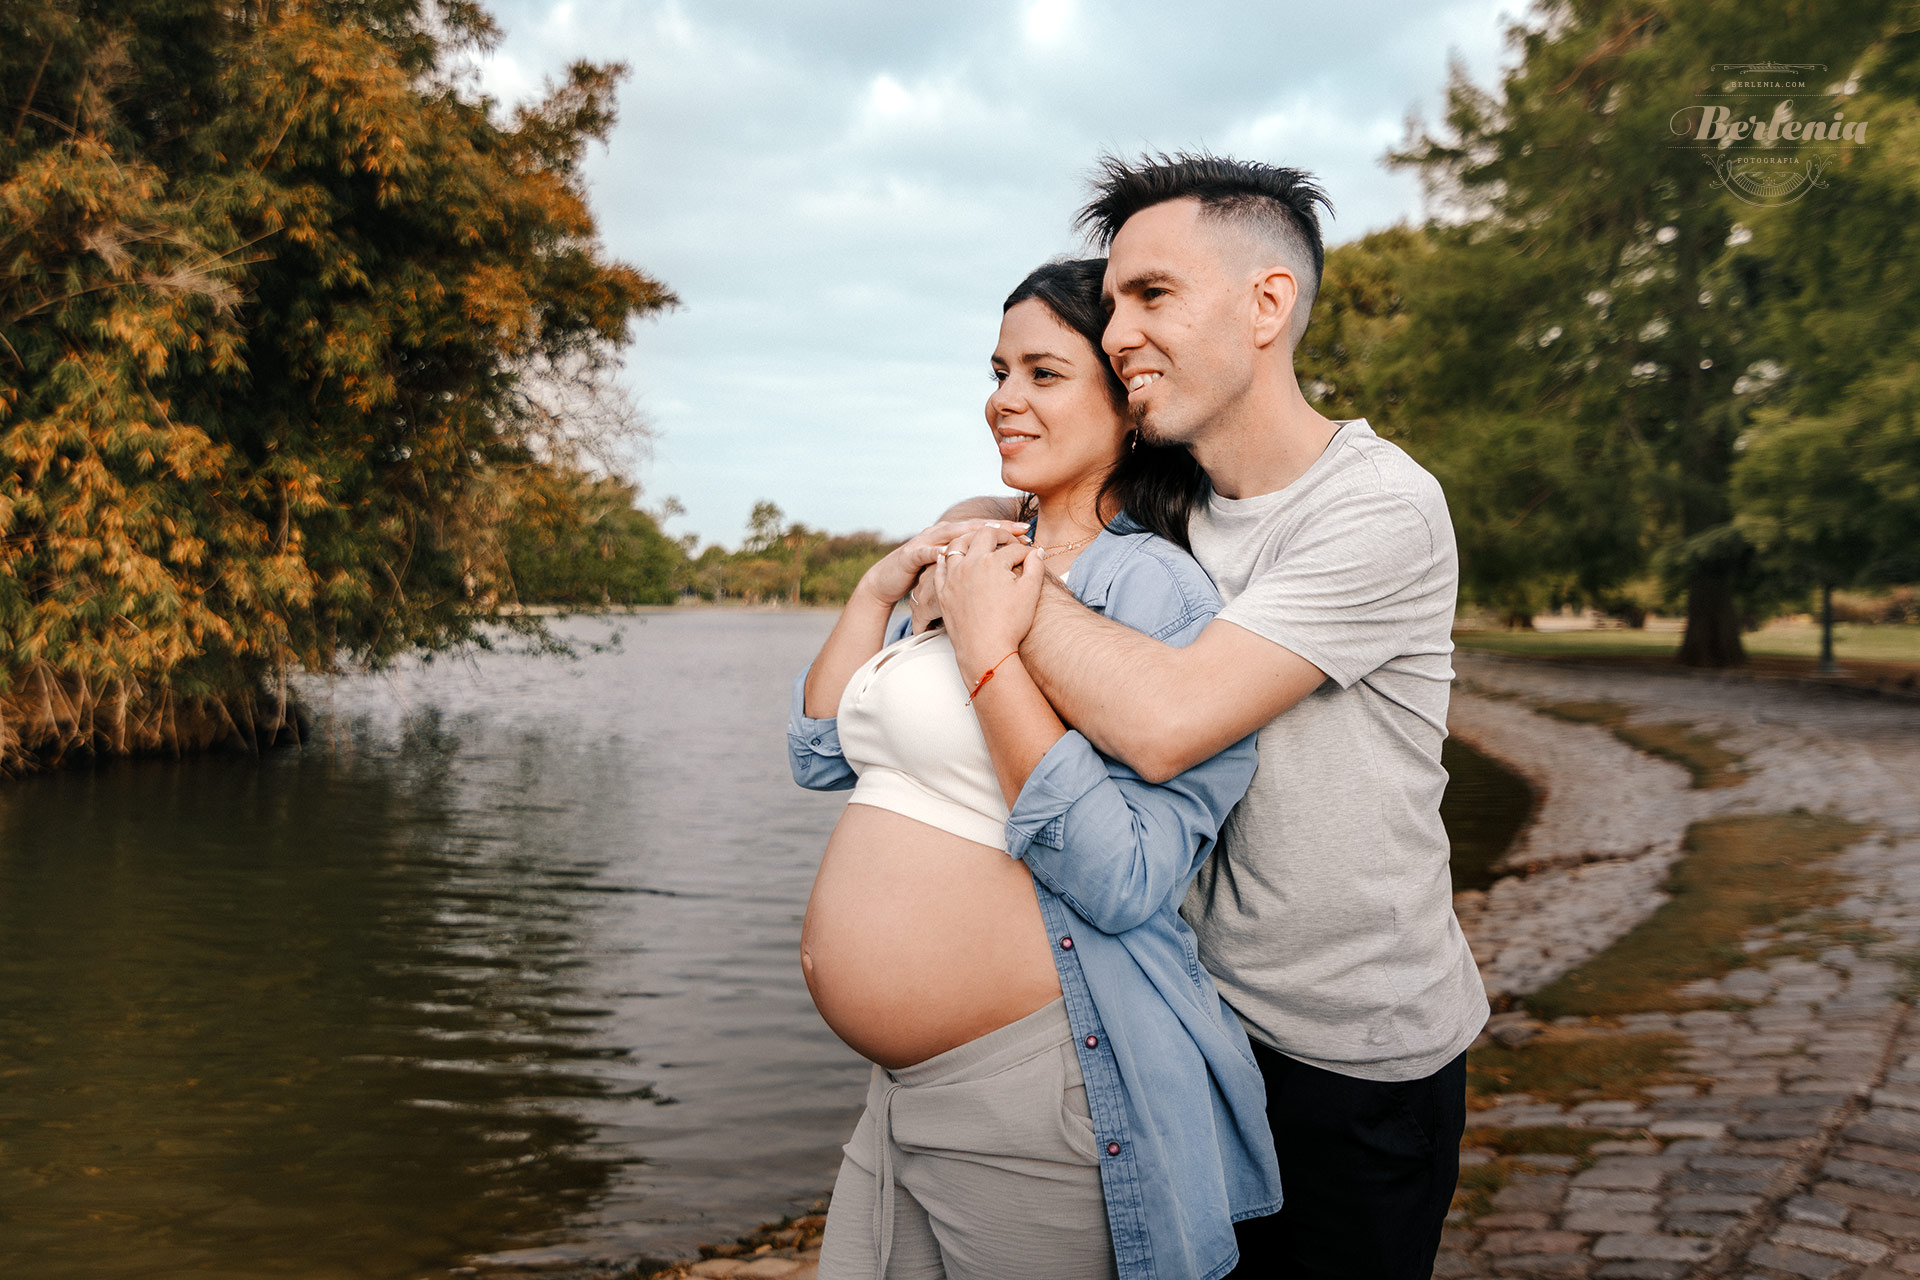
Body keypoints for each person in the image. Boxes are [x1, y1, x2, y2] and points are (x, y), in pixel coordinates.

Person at [940, 155, 1490, 1279]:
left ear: (1267, 305)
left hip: (1354, 1057)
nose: (1120, 331)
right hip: (1192, 1022)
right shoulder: (1172, 509)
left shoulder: (1378, 505)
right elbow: (1050, 517)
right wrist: (985, 527)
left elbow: (1165, 718)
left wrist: (997, 582)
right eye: (1114, 304)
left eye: (1152, 296)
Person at [786, 258, 1282, 1280]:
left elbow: (1124, 878)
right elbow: (822, 753)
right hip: (903, 1090)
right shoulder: (979, 553)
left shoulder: (1157, 590)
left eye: (1043, 373)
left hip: (1035, 1088)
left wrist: (990, 653)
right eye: (998, 369)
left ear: (1130, 403)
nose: (1002, 398)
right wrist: (884, 581)